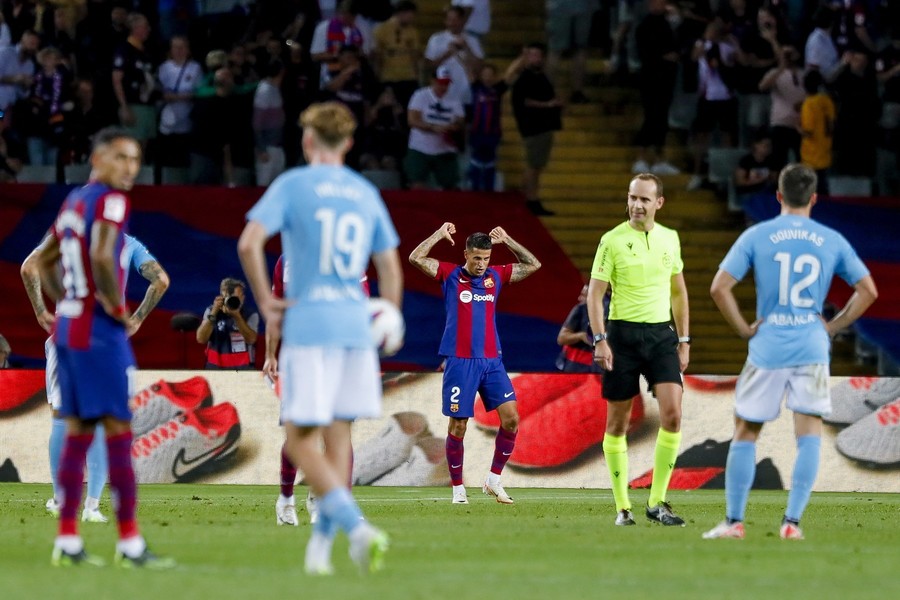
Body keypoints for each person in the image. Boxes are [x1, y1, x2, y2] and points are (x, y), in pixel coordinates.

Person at [237, 101, 403, 575]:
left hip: (309, 326)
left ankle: (355, 527)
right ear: (348, 143)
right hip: (354, 329)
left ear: (307, 140)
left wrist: (267, 303)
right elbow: (389, 265)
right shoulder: (365, 191)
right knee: (340, 437)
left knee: (299, 435)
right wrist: (390, 312)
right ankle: (321, 549)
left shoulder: (292, 185)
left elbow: (249, 243)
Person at [704, 164, 878, 540]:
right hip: (811, 346)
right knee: (810, 434)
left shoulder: (758, 234)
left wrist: (743, 328)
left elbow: (719, 288)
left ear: (778, 196)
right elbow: (868, 291)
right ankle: (792, 523)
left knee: (746, 431)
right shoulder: (831, 239)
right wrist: (831, 326)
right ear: (814, 198)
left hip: (767, 346)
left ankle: (734, 522)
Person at [33, 127, 173, 567]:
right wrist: (114, 306)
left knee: (76, 429)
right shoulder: (113, 202)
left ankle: (68, 539)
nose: (130, 168)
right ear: (97, 158)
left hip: (69, 329)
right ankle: (130, 541)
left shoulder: (75, 200)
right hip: (98, 331)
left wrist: (66, 303)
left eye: (135, 160)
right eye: (121, 158)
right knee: (117, 430)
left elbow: (42, 261)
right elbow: (99, 254)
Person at [21, 231, 169, 524]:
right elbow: (161, 280)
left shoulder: (66, 233)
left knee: (63, 417)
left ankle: (61, 500)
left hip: (68, 333)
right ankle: (92, 507)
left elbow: (29, 267)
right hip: (108, 338)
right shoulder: (126, 242)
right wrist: (137, 319)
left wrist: (41, 311)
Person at [408, 222, 541, 505]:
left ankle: (493, 479)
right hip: (459, 362)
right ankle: (458, 489)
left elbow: (533, 264)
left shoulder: (496, 276)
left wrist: (508, 240)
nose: (482, 264)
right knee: (458, 425)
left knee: (512, 419)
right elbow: (416, 258)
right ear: (466, 254)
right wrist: (438, 235)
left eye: (486, 258)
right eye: (477, 258)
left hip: (492, 361)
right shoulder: (450, 274)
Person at [587, 173, 690, 527]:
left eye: (645, 199)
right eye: (632, 197)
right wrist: (601, 339)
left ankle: (657, 501)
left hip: (662, 335)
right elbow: (594, 295)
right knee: (618, 423)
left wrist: (684, 339)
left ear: (659, 203)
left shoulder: (670, 239)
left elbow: (679, 292)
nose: (636, 205)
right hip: (623, 337)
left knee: (673, 415)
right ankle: (623, 507)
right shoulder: (611, 240)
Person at [509, 42, 561, 216]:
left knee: (537, 166)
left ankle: (531, 198)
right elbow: (524, 101)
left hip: (543, 127)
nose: (535, 59)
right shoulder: (525, 78)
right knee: (533, 165)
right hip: (534, 128)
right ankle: (530, 199)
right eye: (531, 55)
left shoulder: (540, 76)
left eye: (537, 55)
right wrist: (548, 105)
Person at [404, 66, 465, 190]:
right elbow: (412, 120)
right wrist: (432, 127)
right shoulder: (420, 95)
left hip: (445, 148)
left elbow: (460, 121)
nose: (444, 87)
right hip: (420, 147)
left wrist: (453, 127)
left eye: (446, 84)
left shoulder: (454, 99)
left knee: (451, 185)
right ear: (433, 81)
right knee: (417, 182)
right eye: (441, 83)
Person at [195, 277, 259, 370]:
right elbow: (201, 338)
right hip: (215, 369)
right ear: (223, 297)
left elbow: (251, 339)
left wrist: (237, 316)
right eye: (232, 297)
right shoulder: (212, 311)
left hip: (243, 370)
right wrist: (214, 312)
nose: (237, 300)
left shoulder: (250, 314)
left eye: (240, 296)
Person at [798, 70, 835, 196]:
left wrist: (797, 127)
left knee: (811, 190)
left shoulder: (809, 104)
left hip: (811, 155)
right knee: (824, 188)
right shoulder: (826, 101)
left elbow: (808, 132)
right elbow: (831, 125)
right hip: (825, 150)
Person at [556, 284, 604, 373]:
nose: (579, 298)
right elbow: (561, 339)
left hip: (599, 369)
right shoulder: (580, 310)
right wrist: (581, 336)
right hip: (576, 368)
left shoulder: (611, 312)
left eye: (584, 295)